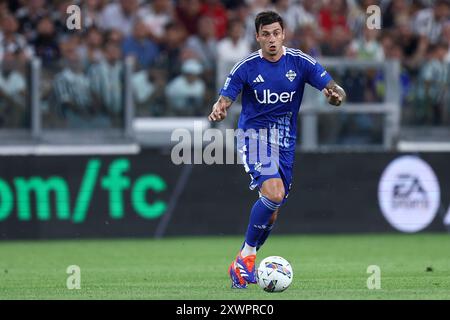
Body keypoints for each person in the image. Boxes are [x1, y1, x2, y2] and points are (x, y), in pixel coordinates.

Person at [208, 11, 346, 289]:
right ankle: (246, 257)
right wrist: (220, 108)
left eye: (276, 33)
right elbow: (225, 98)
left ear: (284, 34)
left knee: (273, 208)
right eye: (266, 34)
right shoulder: (245, 67)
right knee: (274, 193)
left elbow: (333, 88)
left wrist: (335, 95)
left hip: (285, 145)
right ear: (257, 36)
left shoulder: (301, 62)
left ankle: (241, 263)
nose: (272, 39)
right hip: (254, 138)